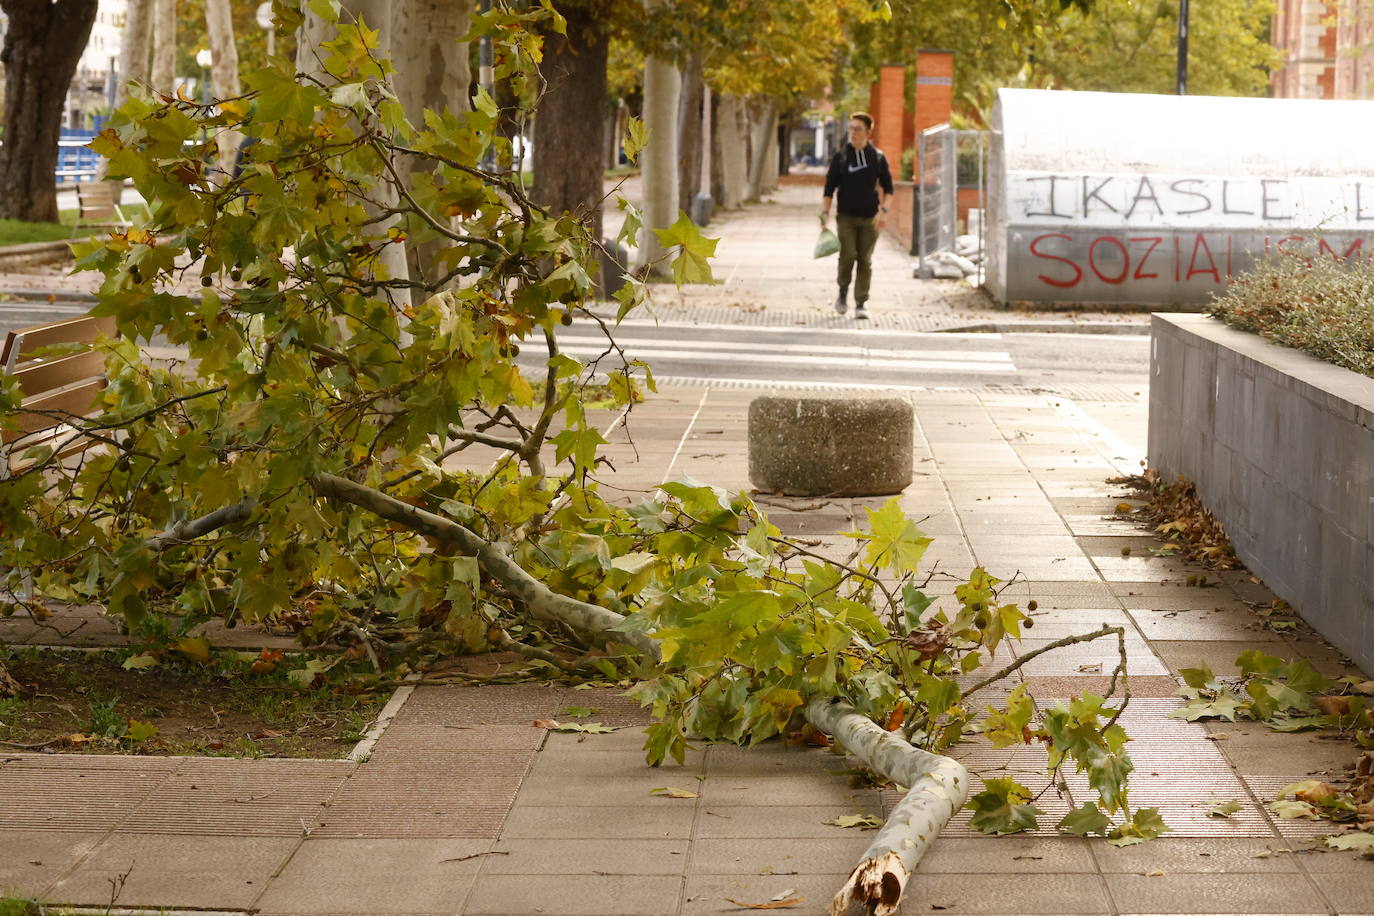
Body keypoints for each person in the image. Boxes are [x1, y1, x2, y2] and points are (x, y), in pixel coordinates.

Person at [820, 112, 894, 320]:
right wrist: (825, 213)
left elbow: (889, 189)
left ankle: (861, 302)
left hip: (871, 218)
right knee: (847, 255)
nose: (852, 133)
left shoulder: (877, 158)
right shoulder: (841, 157)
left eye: (857, 129)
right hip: (846, 217)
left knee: (865, 259)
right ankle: (842, 292)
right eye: (850, 128)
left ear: (868, 132)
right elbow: (829, 187)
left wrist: (884, 212)